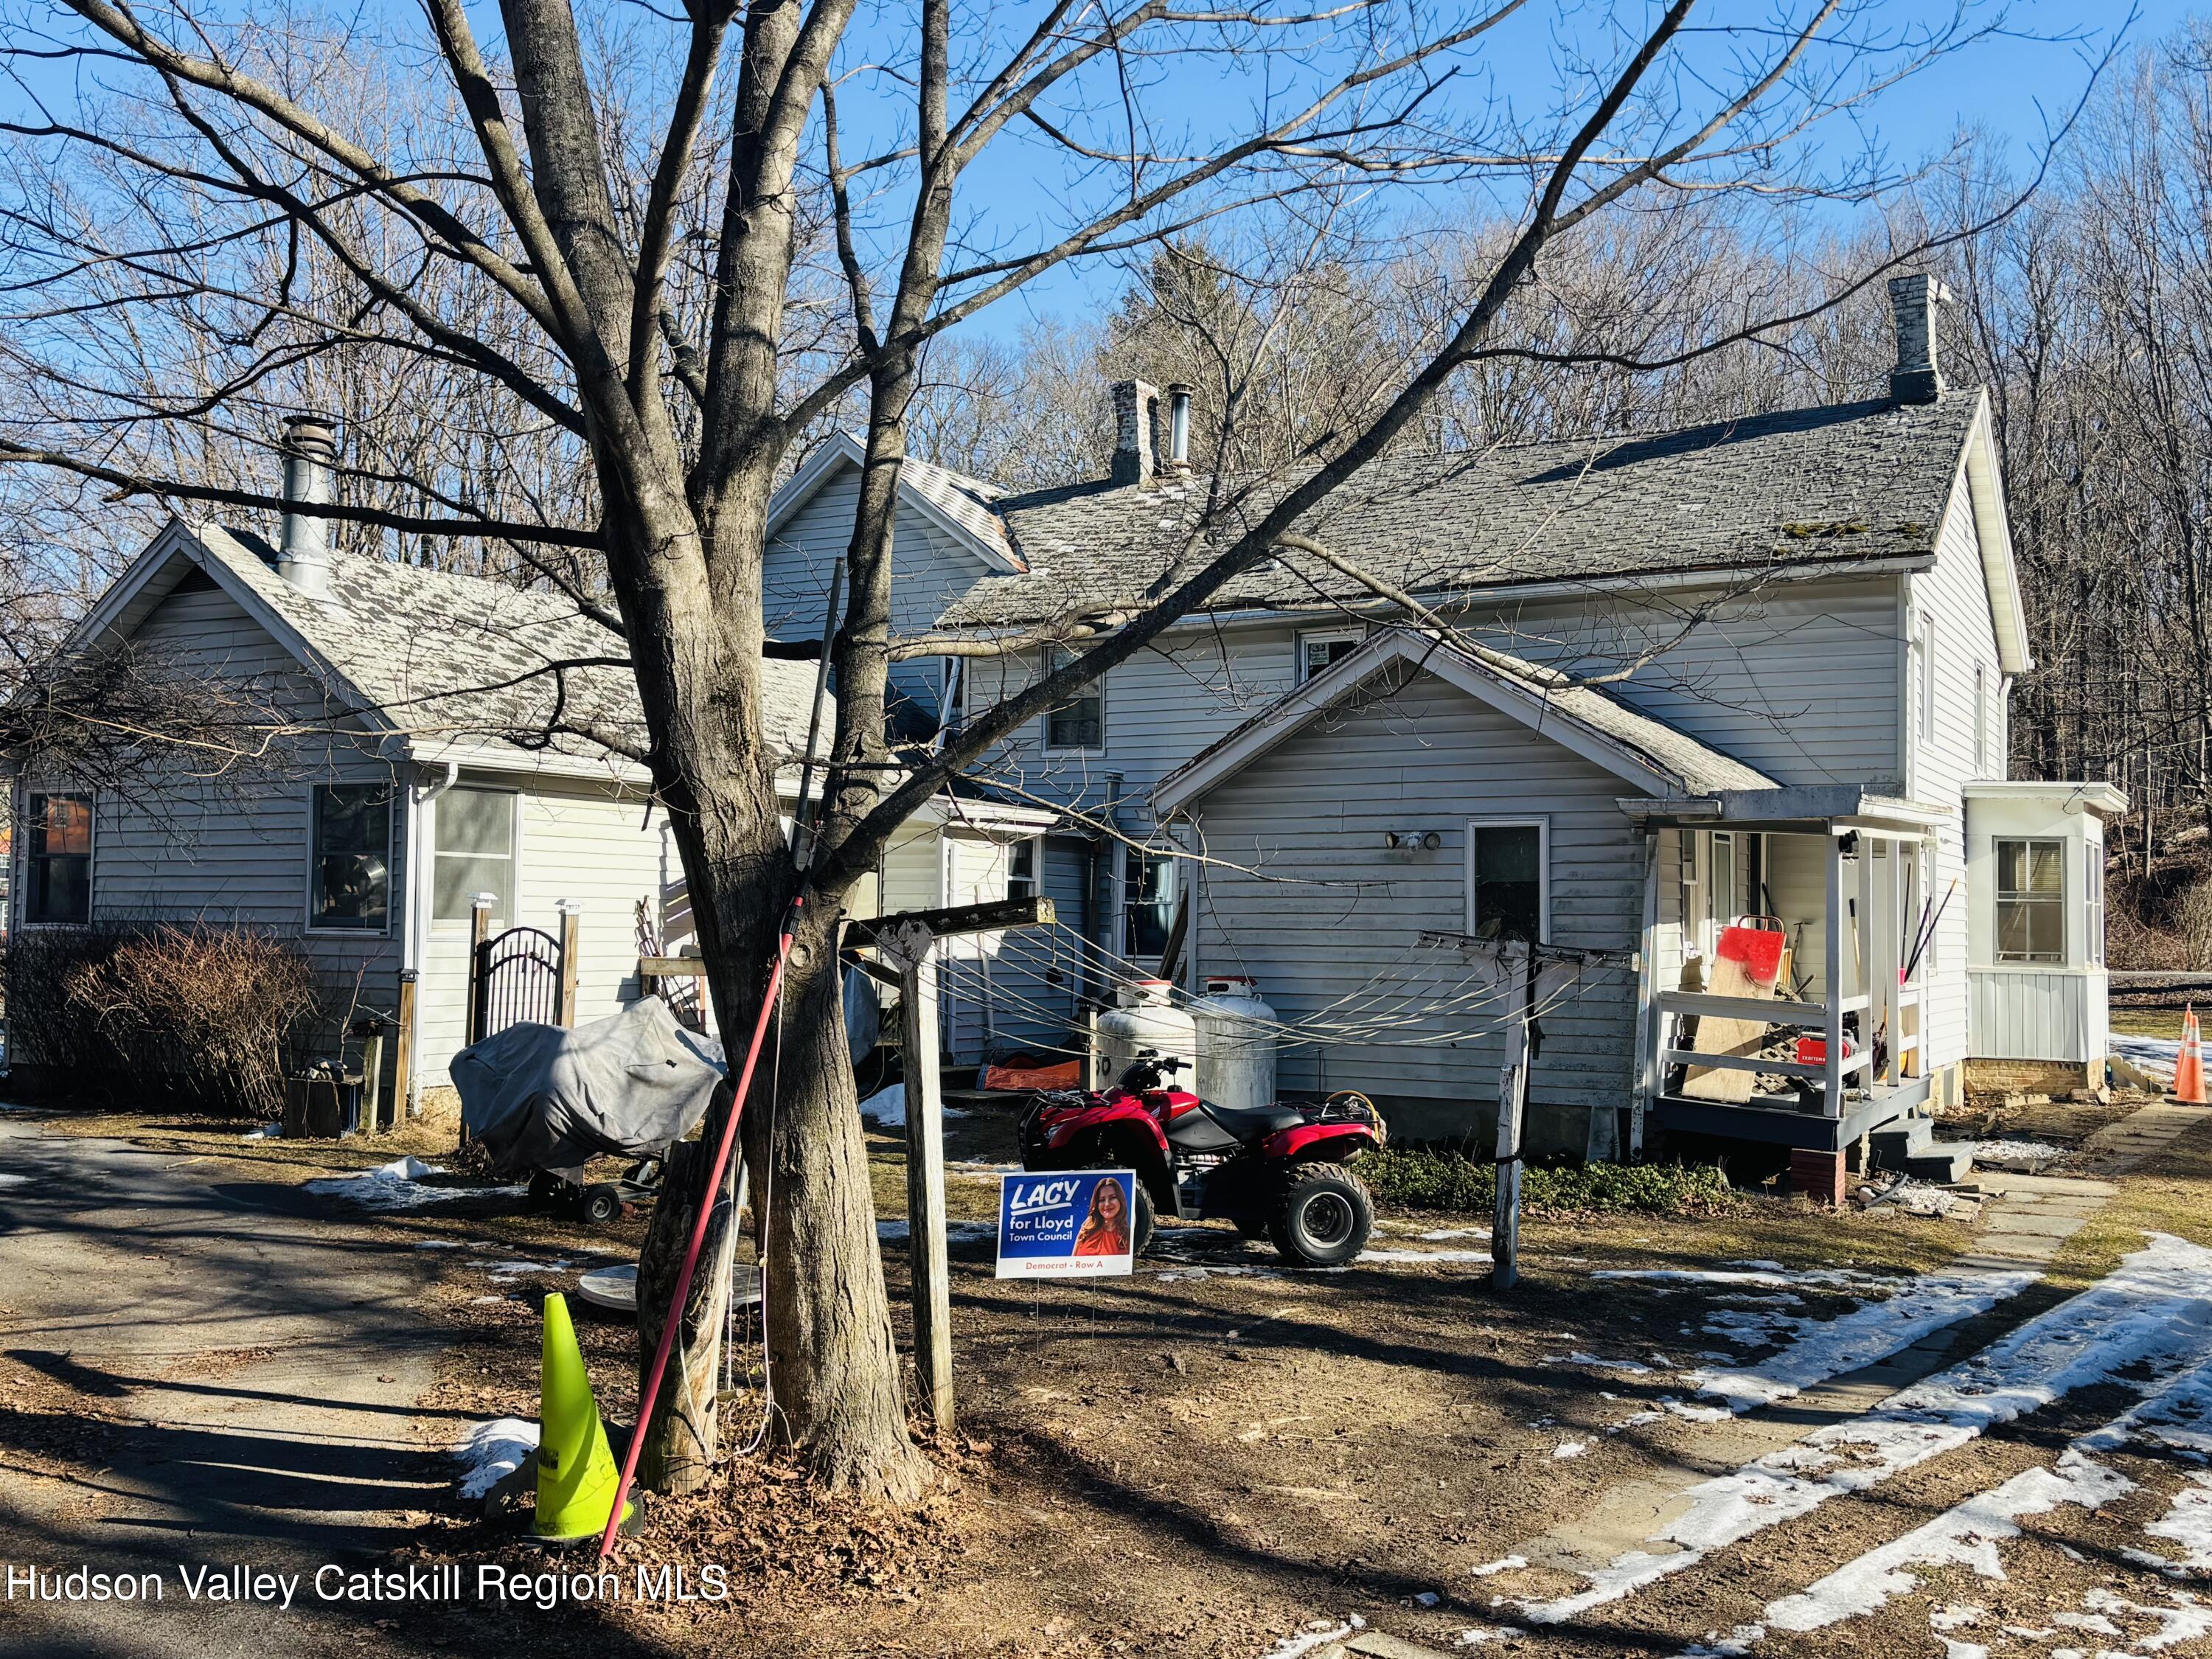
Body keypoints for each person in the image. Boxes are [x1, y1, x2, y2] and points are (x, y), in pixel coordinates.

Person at [1072, 1176, 1131, 1257]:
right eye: (1102, 1200)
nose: (1107, 1204)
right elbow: (1072, 1260)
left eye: (1112, 1198)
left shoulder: (1127, 1235)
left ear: (1120, 1200)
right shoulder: (1087, 1227)